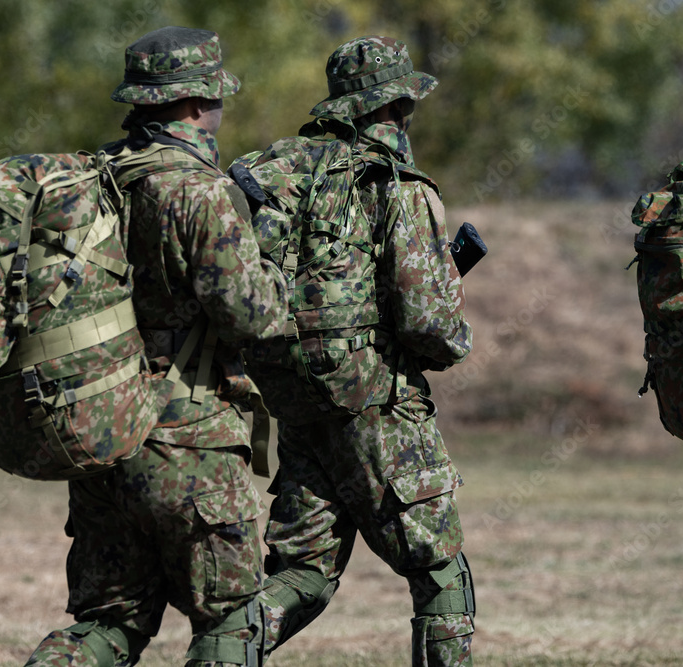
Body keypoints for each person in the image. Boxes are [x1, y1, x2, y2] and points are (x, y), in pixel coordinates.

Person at [24, 27, 287, 667]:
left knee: (107, 625)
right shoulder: (200, 191)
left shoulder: (98, 178)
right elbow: (252, 318)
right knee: (230, 621)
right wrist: (272, 257)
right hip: (189, 439)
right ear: (196, 104)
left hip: (104, 430)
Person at [250, 36, 476, 666]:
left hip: (295, 398)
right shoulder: (398, 185)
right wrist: (452, 322)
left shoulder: (282, 171)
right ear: (397, 107)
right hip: (377, 403)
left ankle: (219, 655)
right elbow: (431, 325)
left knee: (301, 575)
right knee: (440, 573)